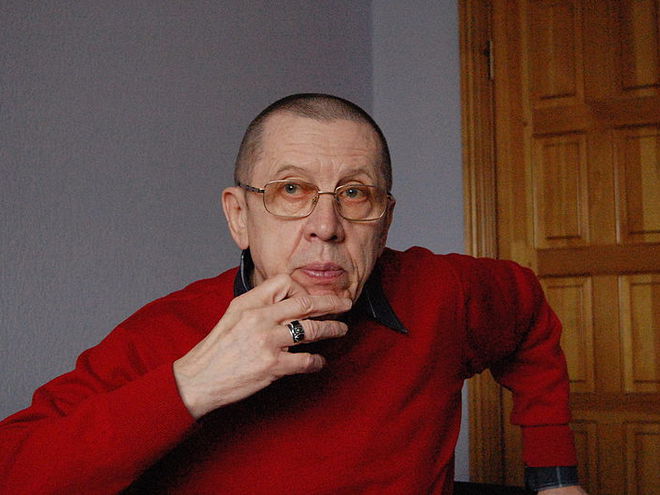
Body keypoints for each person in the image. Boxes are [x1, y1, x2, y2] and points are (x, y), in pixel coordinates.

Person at [0, 93, 587, 494]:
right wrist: (191, 385)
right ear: (239, 216)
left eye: (354, 194)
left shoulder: (444, 293)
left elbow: (528, 314)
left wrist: (554, 475)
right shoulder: (163, 334)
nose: (325, 226)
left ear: (384, 221)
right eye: (290, 190)